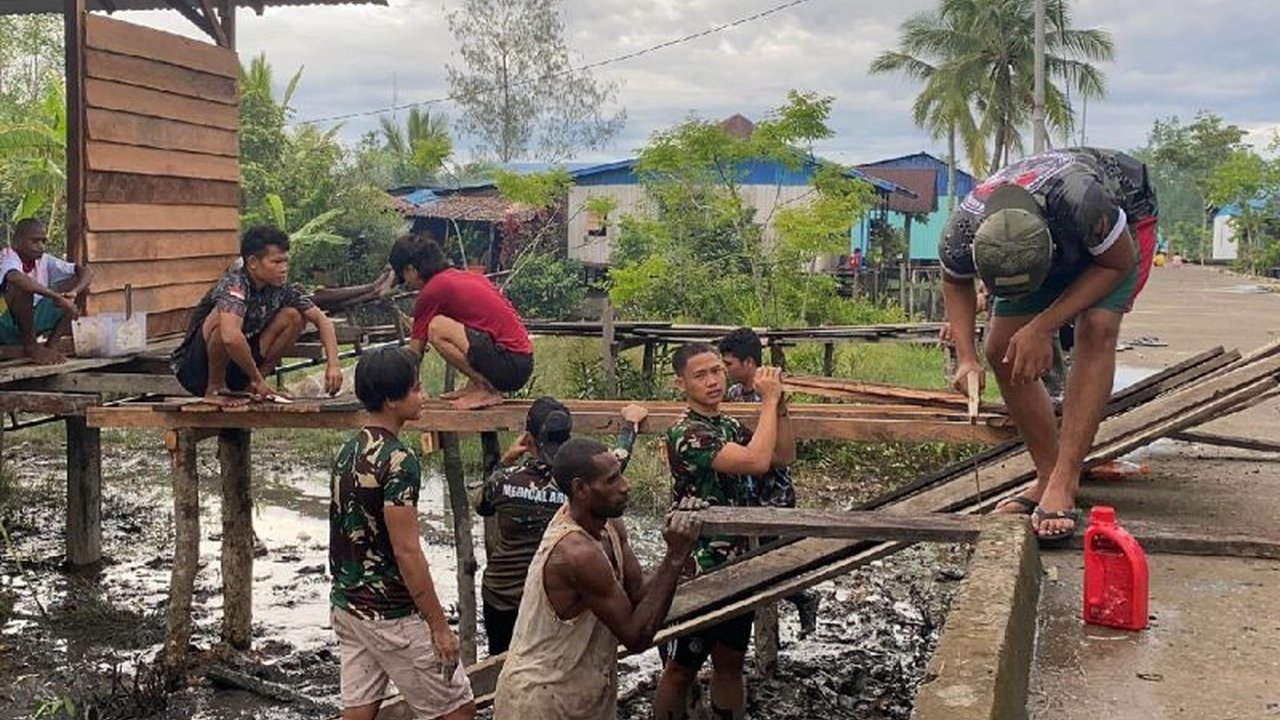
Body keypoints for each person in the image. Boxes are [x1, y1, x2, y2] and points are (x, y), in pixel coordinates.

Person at [939, 147, 1158, 545]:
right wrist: (967, 359)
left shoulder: (1084, 204)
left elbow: (1116, 265)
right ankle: (1046, 474)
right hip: (1053, 231)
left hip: (1120, 230)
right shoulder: (962, 229)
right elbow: (955, 282)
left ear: (1051, 251)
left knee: (1097, 328)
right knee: (1001, 346)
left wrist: (1044, 326)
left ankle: (1065, 480)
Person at [493, 438, 703, 720]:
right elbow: (636, 636)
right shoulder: (576, 552)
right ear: (580, 489)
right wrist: (674, 558)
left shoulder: (609, 525)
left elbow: (637, 592)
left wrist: (678, 557)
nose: (626, 485)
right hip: (540, 701)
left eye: (620, 474)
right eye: (612, 480)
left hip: (576, 691)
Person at [330, 346, 475, 720]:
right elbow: (407, 551)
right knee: (457, 710)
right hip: (390, 611)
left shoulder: (348, 451)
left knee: (359, 711)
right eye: (416, 389)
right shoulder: (399, 461)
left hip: (349, 603)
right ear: (392, 401)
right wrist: (439, 626)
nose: (423, 396)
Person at [654, 342, 795, 720]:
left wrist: (779, 406)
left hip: (736, 562)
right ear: (680, 384)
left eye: (717, 371)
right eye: (700, 375)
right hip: (701, 565)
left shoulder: (727, 424)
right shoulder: (688, 434)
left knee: (731, 662)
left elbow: (782, 456)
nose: (713, 381)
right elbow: (756, 461)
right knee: (682, 666)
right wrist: (766, 404)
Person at [470, 397, 649, 655]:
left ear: (529, 440)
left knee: (502, 664)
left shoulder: (504, 481)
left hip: (503, 598)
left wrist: (506, 460)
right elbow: (617, 459)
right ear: (569, 438)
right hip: (558, 601)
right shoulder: (582, 486)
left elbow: (481, 503)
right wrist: (629, 425)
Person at [717, 327, 819, 637]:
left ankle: (801, 596)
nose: (725, 370)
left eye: (730, 364)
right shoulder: (733, 396)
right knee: (754, 557)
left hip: (771, 490)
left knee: (771, 558)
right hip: (746, 488)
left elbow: (784, 454)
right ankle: (793, 600)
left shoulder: (773, 395)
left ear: (749, 363)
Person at [171, 226, 342, 405]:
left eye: (285, 262)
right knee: (224, 320)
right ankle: (215, 388)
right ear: (253, 262)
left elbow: (322, 321)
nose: (284, 268)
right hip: (196, 370)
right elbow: (230, 337)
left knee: (294, 316)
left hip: (238, 367)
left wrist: (333, 365)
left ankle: (254, 386)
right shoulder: (235, 284)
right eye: (276, 262)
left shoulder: (281, 289)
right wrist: (256, 378)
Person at [388, 234, 533, 410]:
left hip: (510, 366)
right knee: (436, 325)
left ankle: (485, 388)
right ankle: (477, 384)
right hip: (521, 360)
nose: (406, 284)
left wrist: (412, 391)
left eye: (403, 277)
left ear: (411, 270)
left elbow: (414, 352)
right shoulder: (461, 277)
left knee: (436, 328)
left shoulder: (433, 290)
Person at [0, 218, 93, 365]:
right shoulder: (7, 256)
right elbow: (15, 278)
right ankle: (31, 348)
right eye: (35, 241)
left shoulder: (44, 260)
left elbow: (85, 272)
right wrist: (56, 296)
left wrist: (74, 293)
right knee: (22, 287)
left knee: (75, 285)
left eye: (43, 242)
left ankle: (51, 347)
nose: (41, 247)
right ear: (17, 241)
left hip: (28, 324)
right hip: (4, 323)